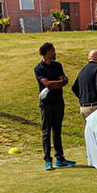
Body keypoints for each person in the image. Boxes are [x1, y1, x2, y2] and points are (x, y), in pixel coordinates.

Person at [34, 42, 76, 170]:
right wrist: (58, 83)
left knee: (57, 131)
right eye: (53, 51)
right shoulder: (39, 68)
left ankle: (60, 158)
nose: (55, 53)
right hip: (46, 104)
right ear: (47, 52)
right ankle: (48, 160)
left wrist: (57, 83)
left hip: (58, 102)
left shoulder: (58, 66)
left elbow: (65, 81)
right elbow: (48, 84)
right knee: (46, 132)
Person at [72, 50, 97, 121]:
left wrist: (84, 98)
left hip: (83, 108)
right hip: (95, 107)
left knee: (89, 131)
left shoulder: (83, 70)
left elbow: (75, 88)